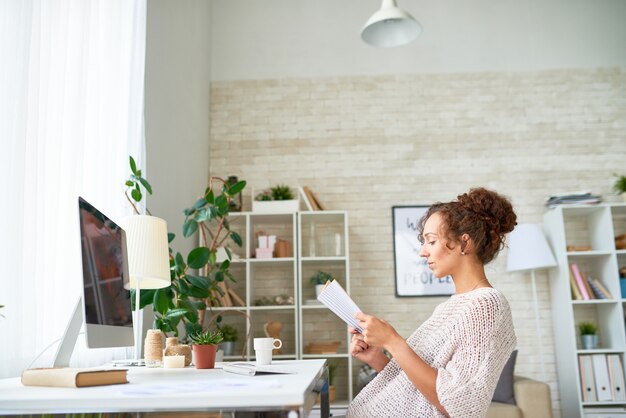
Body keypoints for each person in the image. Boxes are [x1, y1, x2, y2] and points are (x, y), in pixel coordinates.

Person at [347, 187, 518, 418]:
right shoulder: (449, 307)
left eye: (431, 241)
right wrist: (377, 357)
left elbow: (458, 405)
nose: (423, 252)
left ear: (464, 244)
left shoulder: (486, 305)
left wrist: (393, 341)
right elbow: (419, 388)